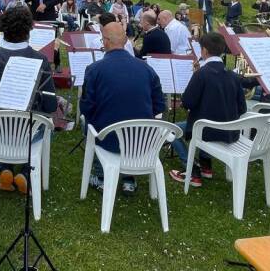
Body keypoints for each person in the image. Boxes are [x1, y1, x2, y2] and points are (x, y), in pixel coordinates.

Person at [81, 21, 166, 194]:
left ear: (105, 42)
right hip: (142, 141)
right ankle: (129, 178)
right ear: (126, 40)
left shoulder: (94, 69)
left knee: (87, 124)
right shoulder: (146, 68)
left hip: (109, 140)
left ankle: (102, 176)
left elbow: (86, 108)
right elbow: (159, 106)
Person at [0, 6, 56, 194]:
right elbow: (50, 105)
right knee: (49, 126)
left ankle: (4, 168)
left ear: (3, 29)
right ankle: (25, 173)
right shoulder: (40, 59)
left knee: (3, 124)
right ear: (29, 29)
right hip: (30, 130)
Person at [169, 32, 246, 186]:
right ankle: (206, 166)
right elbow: (242, 108)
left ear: (204, 50)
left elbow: (188, 102)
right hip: (230, 130)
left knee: (171, 130)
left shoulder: (201, 74)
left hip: (207, 130)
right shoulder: (232, 75)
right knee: (206, 119)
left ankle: (192, 169)